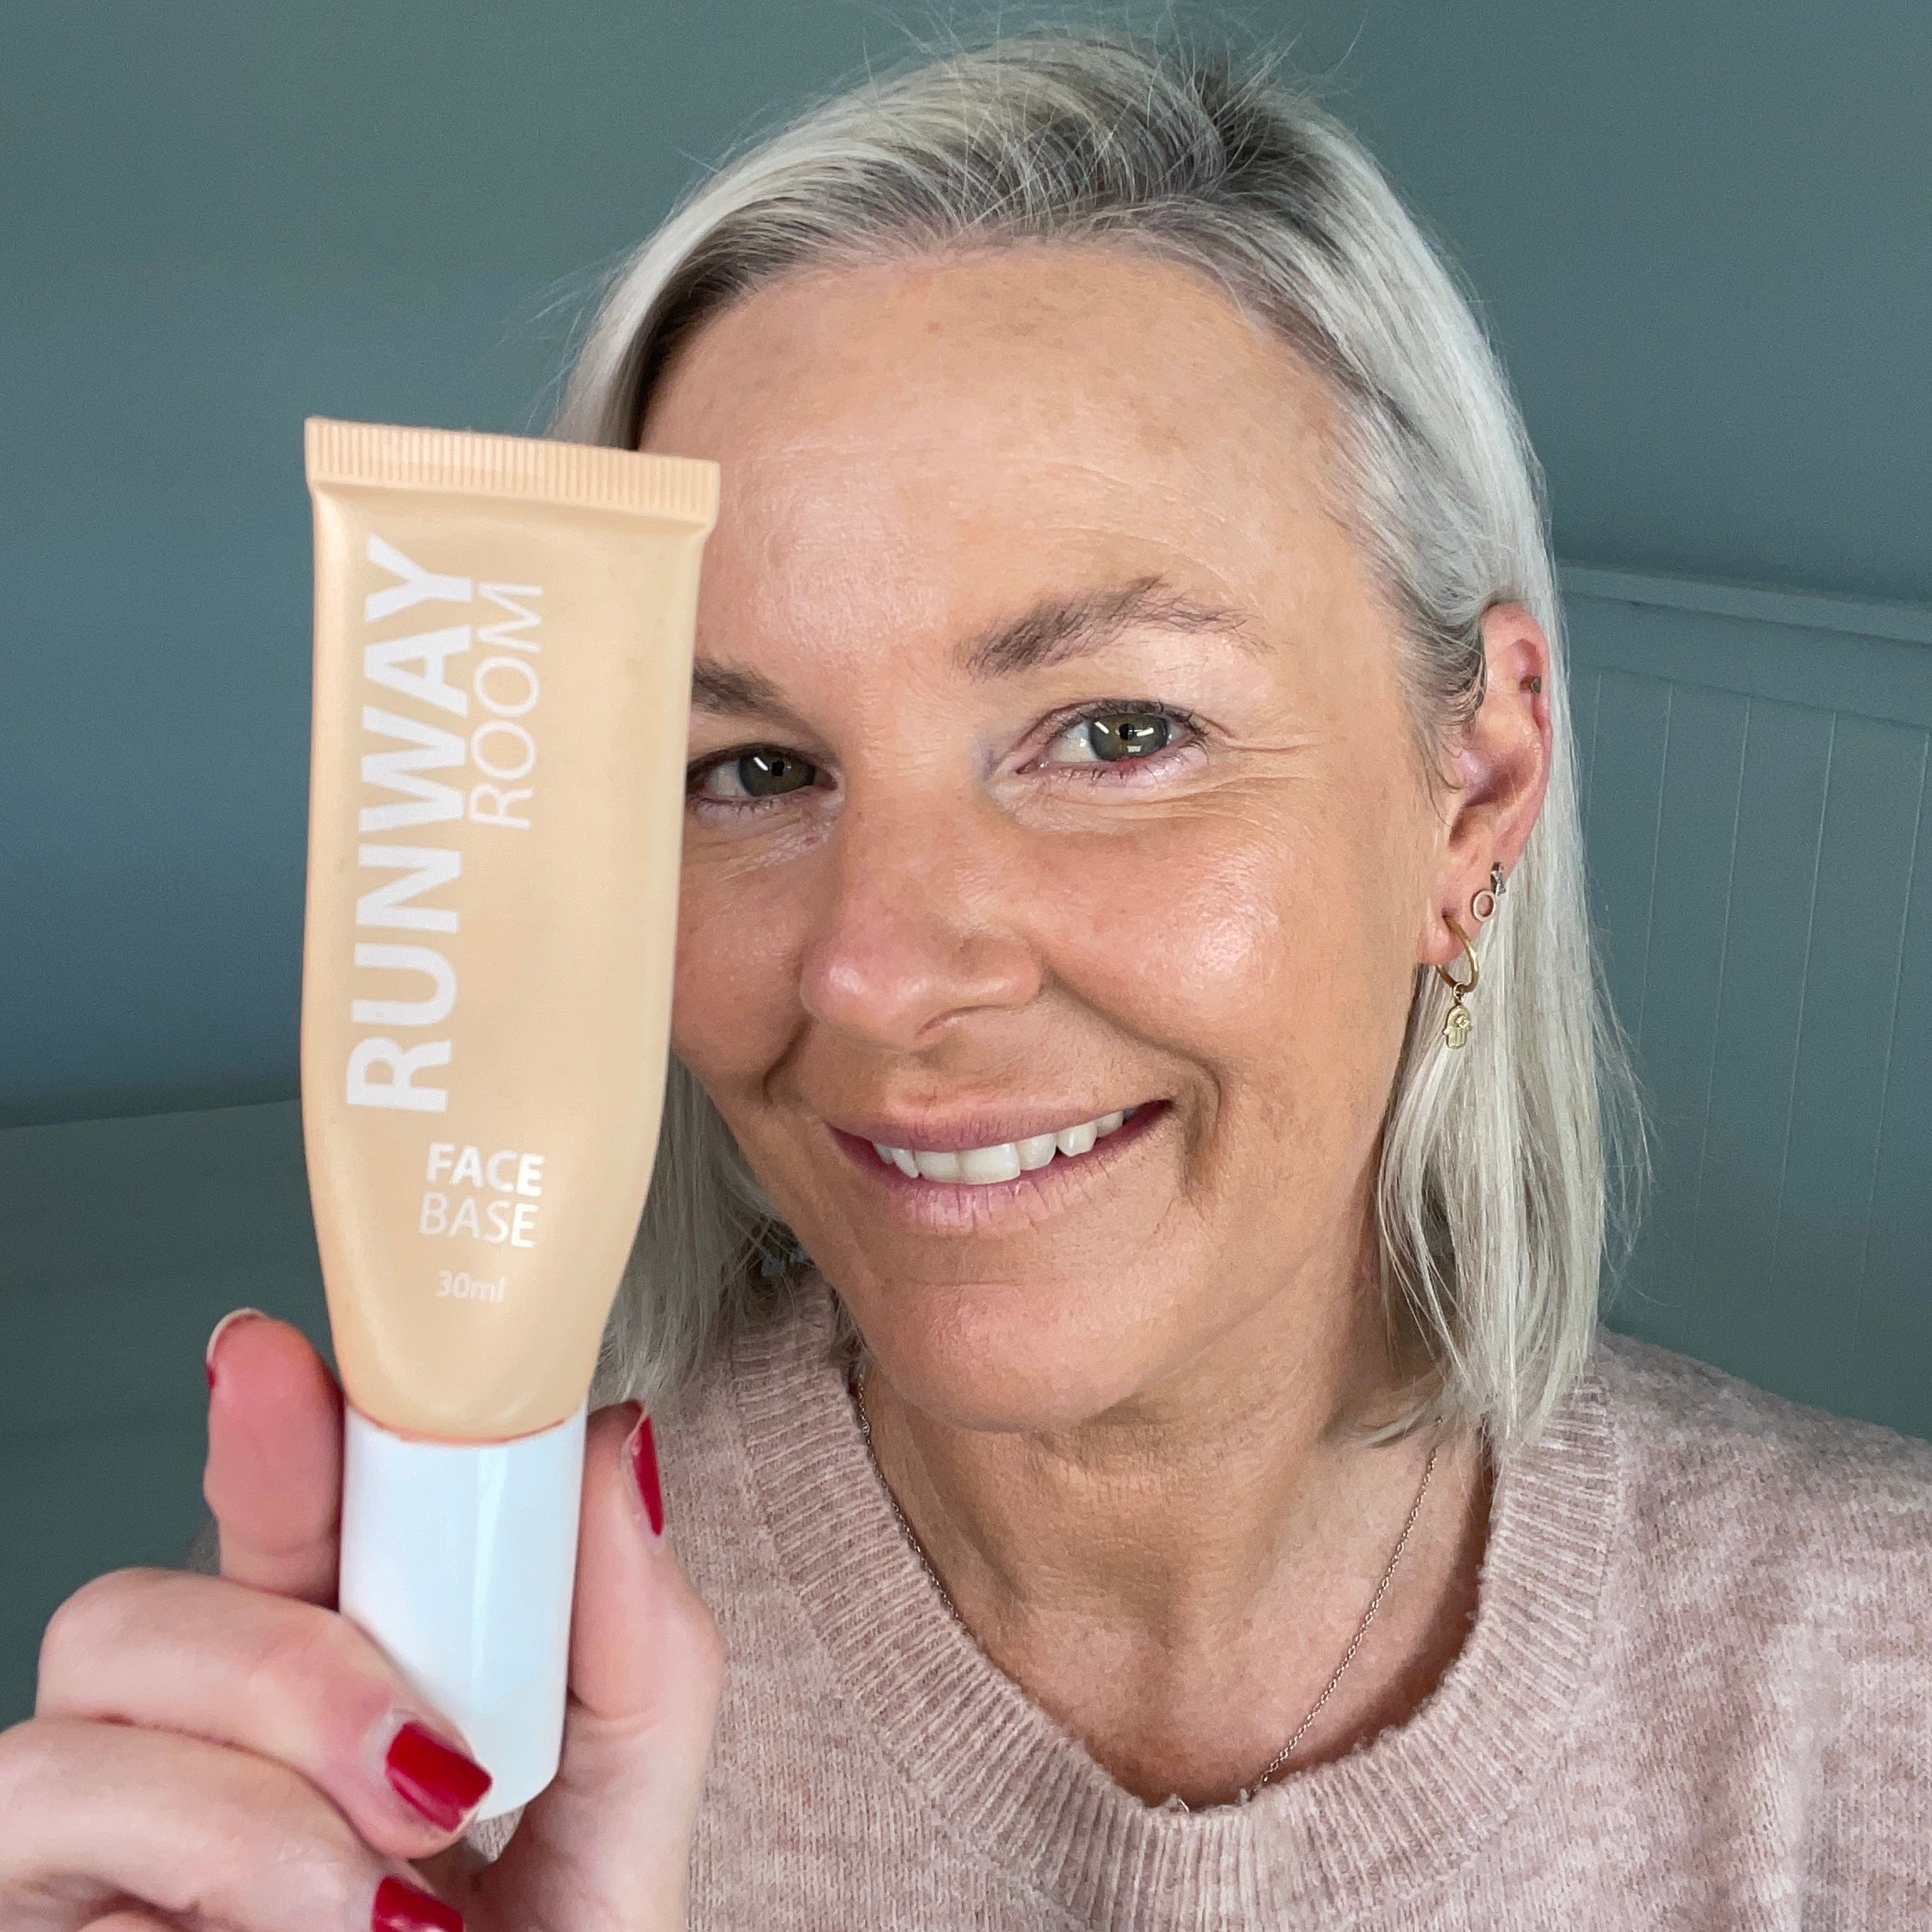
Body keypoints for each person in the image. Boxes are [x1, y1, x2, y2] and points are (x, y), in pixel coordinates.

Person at [6, 28, 1929, 1931]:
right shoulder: (460, 1704)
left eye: (1112, 732)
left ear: (1474, 787)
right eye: (750, 771)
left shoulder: (1873, 1684)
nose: (877, 969)